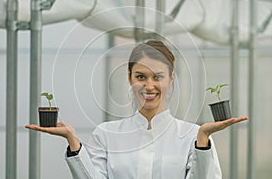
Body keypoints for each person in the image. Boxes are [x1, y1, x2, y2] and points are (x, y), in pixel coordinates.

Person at [26, 40, 248, 179]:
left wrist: (203, 139)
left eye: (157, 77)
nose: (149, 86)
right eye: (141, 77)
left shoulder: (193, 136)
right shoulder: (107, 134)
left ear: (171, 78)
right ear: (130, 78)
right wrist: (73, 142)